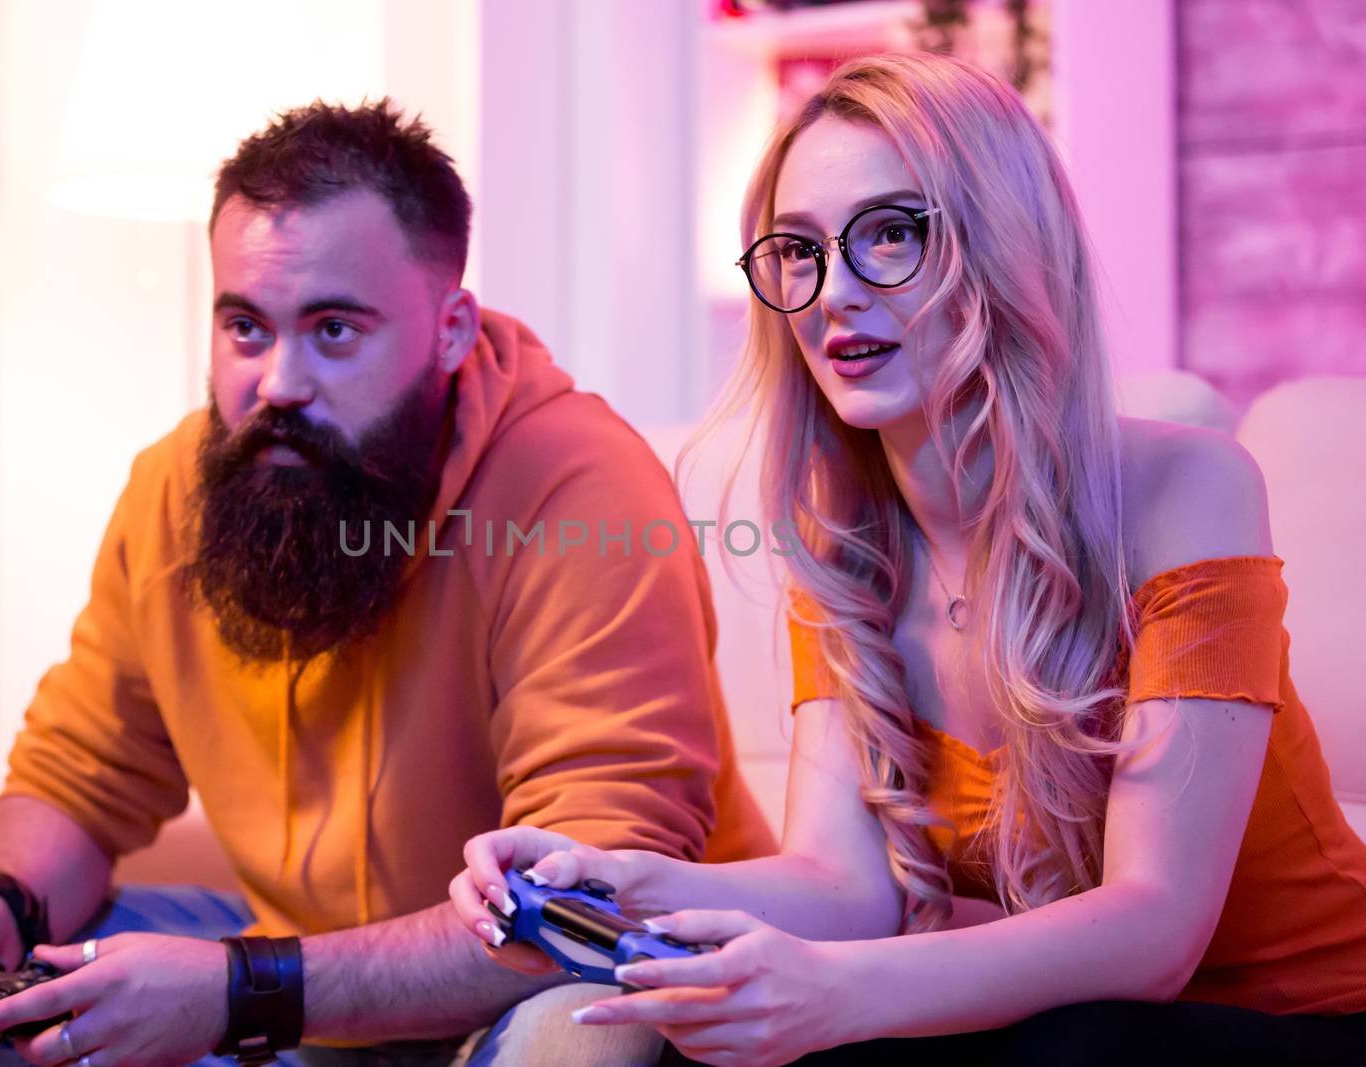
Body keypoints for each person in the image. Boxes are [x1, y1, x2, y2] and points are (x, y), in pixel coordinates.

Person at [450, 52, 1366, 1065]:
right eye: (797, 250)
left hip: (1302, 1019)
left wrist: (835, 991)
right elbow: (842, 887)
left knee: (1070, 1042)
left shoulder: (1189, 489)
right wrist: (618, 878)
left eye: (889, 232)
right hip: (1063, 1028)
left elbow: (1153, 928)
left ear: (1000, 245)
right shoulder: (841, 551)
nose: (832, 292)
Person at [0, 99, 773, 1067]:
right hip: (299, 992)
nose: (279, 381)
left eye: (333, 330)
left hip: (543, 984)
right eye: (246, 327)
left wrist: (240, 993)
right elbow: (78, 778)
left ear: (450, 329)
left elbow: (587, 907)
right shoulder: (177, 487)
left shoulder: (582, 491)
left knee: (578, 1038)